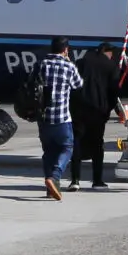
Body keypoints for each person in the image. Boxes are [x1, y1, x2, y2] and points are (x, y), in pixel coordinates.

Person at [33, 36, 83, 200]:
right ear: (65, 49)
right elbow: (78, 85)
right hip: (62, 117)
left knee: (48, 152)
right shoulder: (68, 66)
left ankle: (50, 189)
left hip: (44, 117)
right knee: (67, 148)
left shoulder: (41, 64)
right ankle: (54, 176)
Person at [69, 42, 119, 190]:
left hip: (77, 110)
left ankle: (75, 180)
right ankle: (97, 180)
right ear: (107, 52)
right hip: (98, 111)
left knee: (76, 144)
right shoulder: (111, 67)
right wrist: (109, 109)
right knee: (97, 145)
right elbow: (114, 92)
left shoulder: (80, 63)